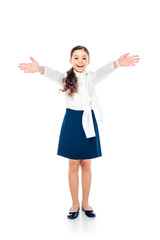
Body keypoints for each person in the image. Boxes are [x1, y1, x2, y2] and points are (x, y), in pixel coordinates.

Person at [18, 45, 140, 219]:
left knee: (87, 165)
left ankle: (86, 202)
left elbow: (105, 70)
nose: (80, 61)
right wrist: (39, 69)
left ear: (88, 61)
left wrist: (118, 63)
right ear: (70, 60)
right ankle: (75, 204)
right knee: (73, 164)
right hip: (72, 122)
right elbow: (51, 73)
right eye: (76, 57)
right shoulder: (65, 77)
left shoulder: (92, 77)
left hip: (88, 121)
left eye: (84, 58)